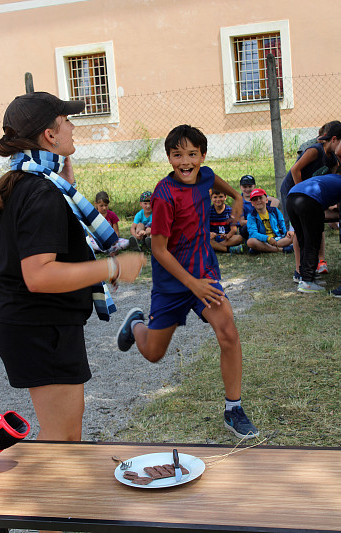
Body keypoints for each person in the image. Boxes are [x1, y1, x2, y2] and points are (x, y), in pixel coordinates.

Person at [0, 91, 145, 443]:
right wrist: (112, 268)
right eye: (66, 121)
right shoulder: (42, 193)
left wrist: (66, 188)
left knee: (63, 435)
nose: (73, 126)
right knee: (62, 438)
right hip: (40, 326)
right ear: (50, 135)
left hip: (34, 324)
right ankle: (16, 492)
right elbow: (39, 274)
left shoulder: (25, 186)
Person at [116, 124, 259, 440]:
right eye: (177, 154)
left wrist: (236, 196)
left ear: (202, 155)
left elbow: (214, 179)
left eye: (192, 154)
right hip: (173, 283)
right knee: (154, 353)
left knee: (228, 333)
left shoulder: (205, 175)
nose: (185, 161)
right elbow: (158, 250)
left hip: (205, 275)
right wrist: (191, 284)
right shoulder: (164, 195)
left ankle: (233, 409)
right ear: (169, 157)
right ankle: (136, 325)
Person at [280, 123, 340, 280]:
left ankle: (317, 264)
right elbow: (295, 170)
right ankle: (299, 271)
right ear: (334, 139)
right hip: (294, 191)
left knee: (315, 226)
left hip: (310, 196)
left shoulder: (333, 159)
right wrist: (301, 194)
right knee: (299, 231)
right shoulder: (315, 150)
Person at [286, 152, 341, 293]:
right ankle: (308, 283)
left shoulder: (328, 178)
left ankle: (305, 276)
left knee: (304, 239)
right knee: (313, 240)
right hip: (308, 201)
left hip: (291, 197)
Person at [247, 188, 294, 253]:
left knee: (293, 235)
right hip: (263, 240)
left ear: (266, 200)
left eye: (260, 198)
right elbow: (253, 233)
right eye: (255, 199)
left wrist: (287, 232)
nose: (258, 201)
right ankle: (281, 249)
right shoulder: (251, 215)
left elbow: (282, 223)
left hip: (278, 239)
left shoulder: (274, 210)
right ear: (252, 203)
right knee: (250, 242)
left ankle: (264, 249)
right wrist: (267, 239)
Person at [239, 174, 280, 244]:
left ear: (254, 186)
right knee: (246, 228)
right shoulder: (239, 201)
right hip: (251, 225)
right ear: (240, 187)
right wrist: (257, 220)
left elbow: (276, 201)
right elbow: (241, 222)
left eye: (250, 186)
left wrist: (269, 214)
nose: (247, 189)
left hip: (263, 223)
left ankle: (270, 239)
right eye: (244, 187)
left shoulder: (258, 195)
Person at [209, 189, 243, 253]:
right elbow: (204, 228)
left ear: (225, 197)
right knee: (204, 239)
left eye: (221, 197)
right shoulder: (208, 211)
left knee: (239, 238)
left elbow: (234, 230)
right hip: (213, 238)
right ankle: (228, 249)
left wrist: (227, 236)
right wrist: (209, 234)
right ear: (211, 198)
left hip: (227, 239)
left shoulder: (230, 211)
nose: (218, 199)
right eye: (215, 197)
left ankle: (216, 247)